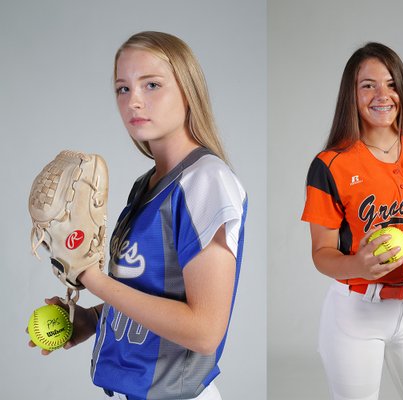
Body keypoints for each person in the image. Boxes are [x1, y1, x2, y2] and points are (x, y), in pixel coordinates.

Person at [28, 31, 247, 400]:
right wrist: (95, 319)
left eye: (152, 84)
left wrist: (90, 278)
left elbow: (205, 330)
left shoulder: (206, 181)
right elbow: (150, 293)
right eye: (123, 89)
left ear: (188, 90)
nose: (134, 101)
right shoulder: (146, 184)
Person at [302, 42, 403, 400]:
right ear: (351, 94)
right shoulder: (330, 165)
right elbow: (321, 251)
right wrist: (357, 263)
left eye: (391, 84)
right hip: (357, 309)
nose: (382, 94)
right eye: (368, 85)